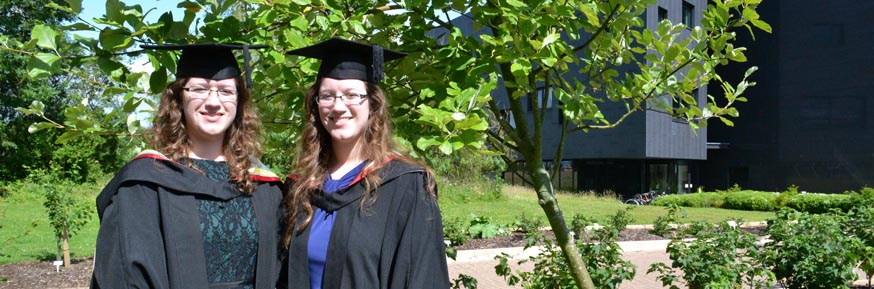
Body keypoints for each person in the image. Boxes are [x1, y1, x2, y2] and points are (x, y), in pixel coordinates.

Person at [91, 43, 284, 289]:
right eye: (200, 89)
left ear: (239, 101)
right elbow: (125, 276)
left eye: (226, 91)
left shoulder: (265, 186)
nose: (213, 102)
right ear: (179, 98)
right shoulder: (147, 181)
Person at [280, 38, 451, 289]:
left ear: (373, 105)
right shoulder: (300, 188)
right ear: (315, 106)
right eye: (327, 96)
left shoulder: (406, 185)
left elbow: (424, 276)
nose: (338, 107)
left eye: (352, 95)